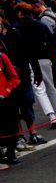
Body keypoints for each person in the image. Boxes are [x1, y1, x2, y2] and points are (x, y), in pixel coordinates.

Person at [0, 23, 23, 166]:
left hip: (5, 100)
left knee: (11, 129)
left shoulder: (3, 58)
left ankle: (10, 154)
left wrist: (6, 92)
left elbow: (15, 78)